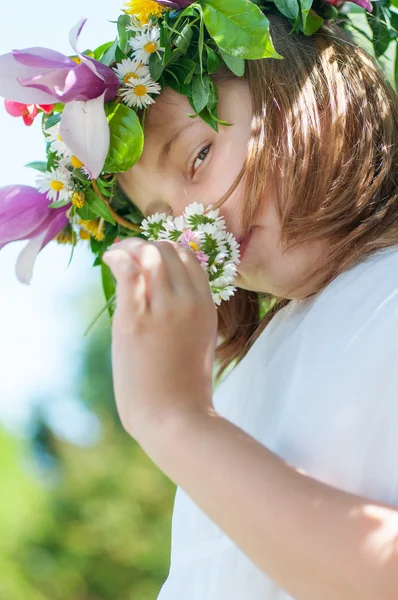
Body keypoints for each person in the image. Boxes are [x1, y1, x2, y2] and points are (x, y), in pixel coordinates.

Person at [101, 13, 398, 600]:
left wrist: (178, 422)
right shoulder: (236, 390)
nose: (198, 225)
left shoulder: (193, 416)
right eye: (165, 218)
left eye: (198, 156)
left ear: (304, 79)